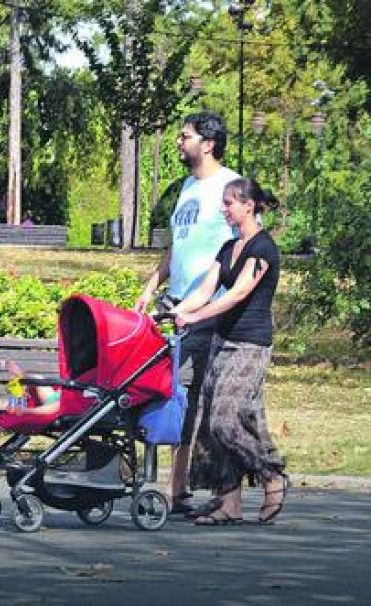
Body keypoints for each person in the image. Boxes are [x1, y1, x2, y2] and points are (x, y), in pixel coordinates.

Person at [133, 111, 240, 517]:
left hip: (204, 310)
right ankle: (175, 489)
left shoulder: (228, 186)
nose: (179, 142)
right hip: (172, 302)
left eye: (186, 136)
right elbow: (179, 245)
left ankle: (177, 488)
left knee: (186, 393)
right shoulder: (188, 188)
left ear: (208, 143)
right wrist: (151, 285)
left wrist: (216, 300)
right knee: (167, 390)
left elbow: (244, 244)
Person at [171, 177, 287, 526]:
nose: (224, 209)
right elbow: (206, 289)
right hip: (222, 341)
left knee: (225, 419)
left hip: (250, 344)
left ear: (248, 205)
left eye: (229, 203)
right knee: (209, 425)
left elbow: (236, 295)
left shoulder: (263, 249)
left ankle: (272, 476)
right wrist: (178, 311)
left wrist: (194, 317)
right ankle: (230, 504)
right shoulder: (228, 248)